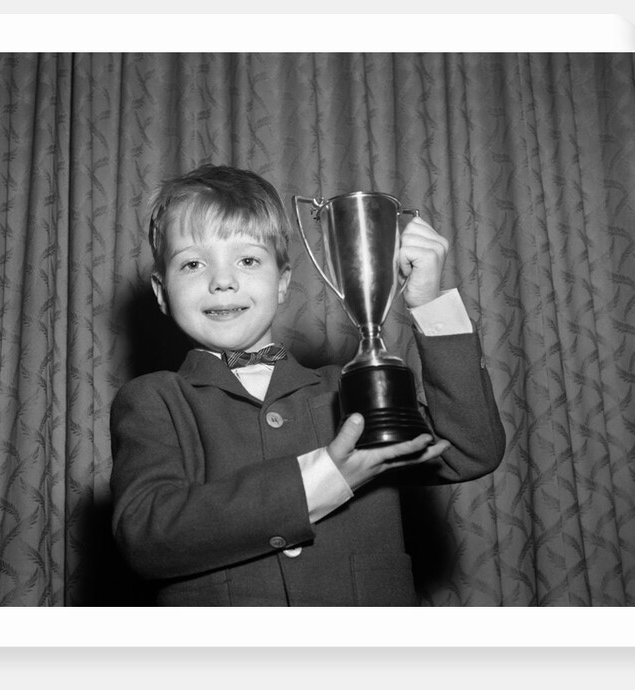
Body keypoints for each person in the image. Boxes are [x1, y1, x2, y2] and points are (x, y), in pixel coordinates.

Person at [109, 164, 505, 606]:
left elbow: (469, 447)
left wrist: (430, 302)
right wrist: (323, 479)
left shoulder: (344, 387)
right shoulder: (152, 400)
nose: (222, 281)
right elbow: (146, 537)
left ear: (281, 283)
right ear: (162, 292)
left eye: (247, 259)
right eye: (193, 263)